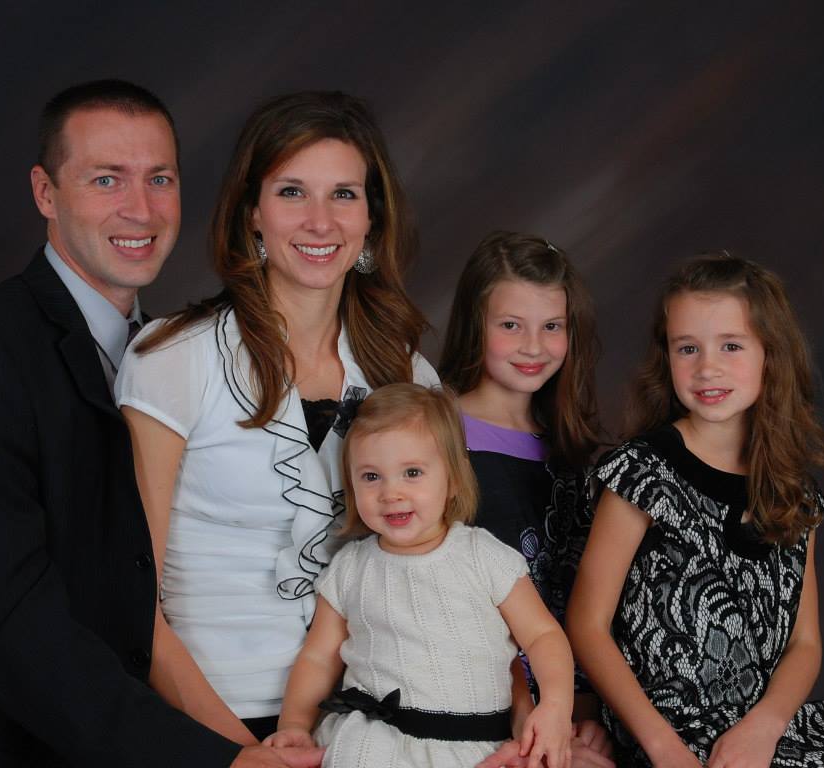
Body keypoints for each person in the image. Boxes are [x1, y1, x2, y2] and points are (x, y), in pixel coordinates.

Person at [0, 79, 321, 767]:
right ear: (46, 193)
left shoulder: (174, 355)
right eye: (107, 179)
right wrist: (214, 757)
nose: (141, 208)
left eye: (160, 179)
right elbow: (7, 621)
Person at [115, 91, 438, 746]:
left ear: (371, 219)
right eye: (293, 192)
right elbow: (128, 600)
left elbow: (442, 573)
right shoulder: (171, 358)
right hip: (210, 723)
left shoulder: (409, 377)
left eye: (343, 194)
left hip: (373, 724)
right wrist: (238, 754)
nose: (320, 221)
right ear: (252, 214)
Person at [566, 253, 824, 767]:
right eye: (688, 348)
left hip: (768, 728)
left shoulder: (793, 492)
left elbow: (804, 643)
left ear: (770, 354)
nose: (707, 367)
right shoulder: (642, 473)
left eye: (731, 345)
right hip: (669, 732)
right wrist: (663, 748)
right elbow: (587, 624)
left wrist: (764, 729)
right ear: (667, 357)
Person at [264, 383, 574, 768]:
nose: (391, 493)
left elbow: (543, 636)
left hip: (473, 747)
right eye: (371, 477)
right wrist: (295, 723)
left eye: (412, 472)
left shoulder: (484, 556)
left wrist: (556, 706)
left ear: (453, 479)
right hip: (370, 745)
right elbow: (318, 657)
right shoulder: (350, 567)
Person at [439, 231, 613, 768]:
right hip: (477, 702)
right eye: (511, 325)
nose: (534, 346)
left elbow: (579, 600)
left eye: (552, 326)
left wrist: (584, 711)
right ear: (475, 324)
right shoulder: (437, 434)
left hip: (566, 707)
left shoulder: (571, 450)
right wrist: (528, 713)